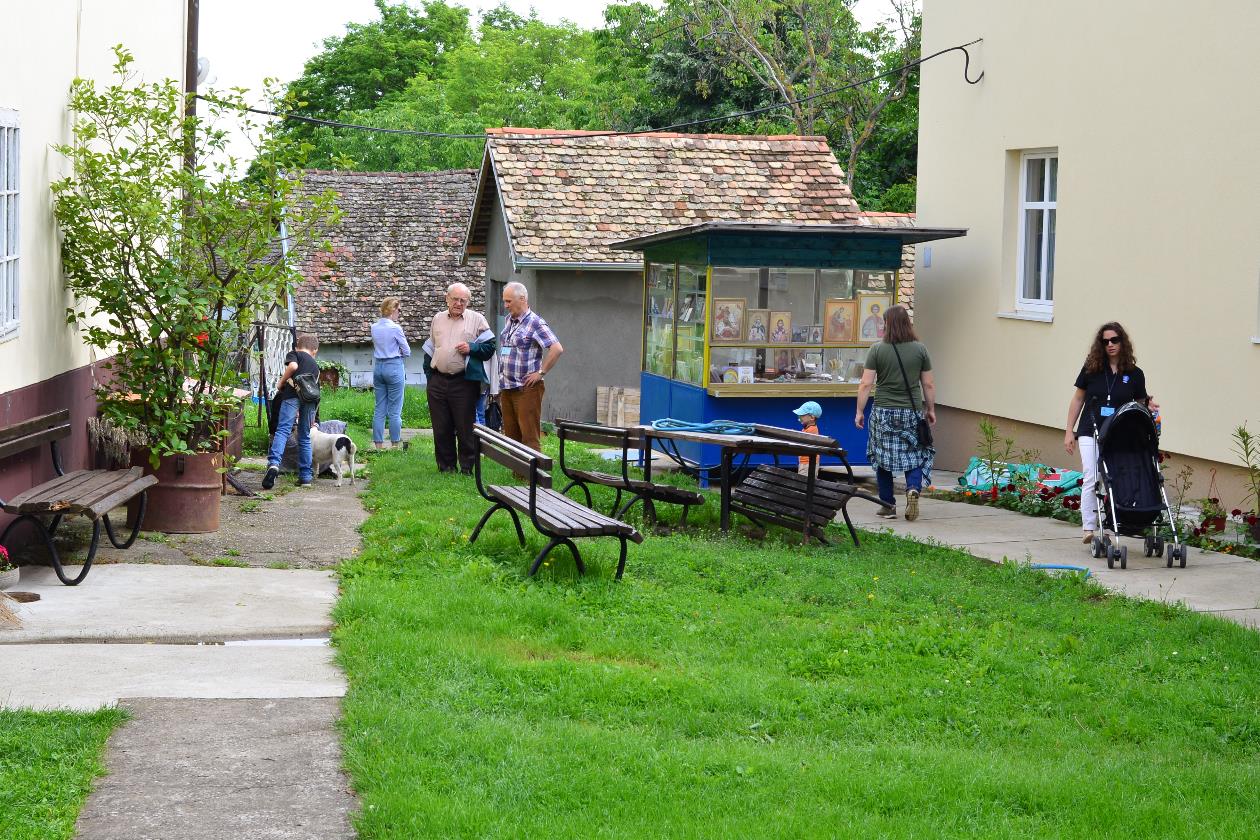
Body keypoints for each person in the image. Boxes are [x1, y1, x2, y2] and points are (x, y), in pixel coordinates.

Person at [1064, 322, 1156, 545]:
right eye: (1105, 342)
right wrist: (1069, 431)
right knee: (1091, 477)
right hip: (1090, 429)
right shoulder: (1092, 368)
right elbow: (1078, 399)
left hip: (1117, 434)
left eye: (1114, 340)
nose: (1110, 345)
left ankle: (1107, 524)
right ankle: (1088, 527)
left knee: (1111, 480)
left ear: (1122, 342)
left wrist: (1150, 406)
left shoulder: (1135, 374)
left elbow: (1140, 404)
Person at [855, 305, 934, 521]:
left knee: (882, 458)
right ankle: (913, 488)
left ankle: (888, 505)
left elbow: (865, 384)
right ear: (908, 324)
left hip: (883, 412)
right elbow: (928, 384)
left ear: (887, 324)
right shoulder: (920, 349)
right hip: (912, 411)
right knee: (914, 454)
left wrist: (859, 411)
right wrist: (931, 409)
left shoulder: (877, 349)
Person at [423, 283, 495, 474]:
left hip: (463, 381)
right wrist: (430, 378)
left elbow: (490, 347)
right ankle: (446, 467)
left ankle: (467, 467)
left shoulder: (477, 319)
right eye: (455, 299)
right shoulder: (437, 319)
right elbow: (429, 350)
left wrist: (472, 348)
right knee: (441, 427)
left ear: (468, 302)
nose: (459, 303)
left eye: (463, 300)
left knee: (465, 427)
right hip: (438, 380)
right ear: (447, 298)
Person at [499, 281, 563, 452]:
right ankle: (518, 474)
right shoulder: (509, 320)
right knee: (511, 436)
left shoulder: (535, 322)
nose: (505, 306)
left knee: (528, 435)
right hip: (507, 386)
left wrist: (540, 373)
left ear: (522, 299)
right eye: (504, 301)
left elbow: (556, 349)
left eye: (508, 302)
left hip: (526, 388)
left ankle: (534, 476)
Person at [262, 333, 320, 490]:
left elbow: (293, 366)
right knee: (304, 436)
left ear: (297, 347)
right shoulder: (315, 365)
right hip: (310, 400)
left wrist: (281, 382)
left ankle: (274, 464)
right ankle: (306, 477)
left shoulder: (295, 354)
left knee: (282, 431)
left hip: (291, 396)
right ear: (315, 350)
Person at [371, 297, 411, 450]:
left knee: (379, 408)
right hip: (394, 366)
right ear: (393, 309)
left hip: (379, 367)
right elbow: (407, 351)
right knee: (394, 410)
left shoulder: (374, 327)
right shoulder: (395, 328)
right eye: (399, 310)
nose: (399, 313)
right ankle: (394, 444)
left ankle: (378, 446)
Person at [793, 400, 823, 476]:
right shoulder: (807, 428)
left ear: (812, 418)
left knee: (804, 484)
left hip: (808, 463)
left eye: (802, 415)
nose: (799, 417)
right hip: (805, 462)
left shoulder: (811, 430)